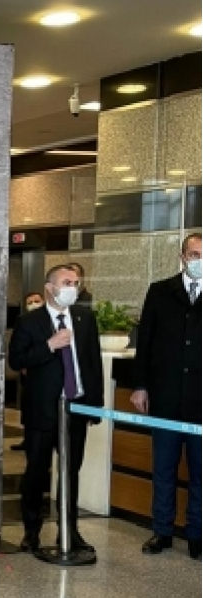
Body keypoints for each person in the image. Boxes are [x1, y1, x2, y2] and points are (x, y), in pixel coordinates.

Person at [8, 264, 103, 553]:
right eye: (66, 282)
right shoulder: (30, 322)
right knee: (37, 472)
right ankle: (31, 531)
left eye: (76, 282)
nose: (72, 287)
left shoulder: (85, 318)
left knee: (71, 472)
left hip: (76, 408)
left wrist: (94, 406)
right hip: (43, 410)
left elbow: (93, 363)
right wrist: (49, 345)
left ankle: (69, 531)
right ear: (50, 288)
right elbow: (16, 360)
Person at [130, 233, 202, 561]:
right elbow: (144, 341)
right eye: (194, 254)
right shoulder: (160, 291)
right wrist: (140, 385)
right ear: (182, 256)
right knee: (164, 469)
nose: (199, 260)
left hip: (200, 400)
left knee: (201, 473)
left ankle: (197, 534)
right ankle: (162, 530)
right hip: (166, 396)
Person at [9, 293, 46, 450]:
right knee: (27, 407)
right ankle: (28, 439)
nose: (33, 304)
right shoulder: (24, 322)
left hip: (43, 372)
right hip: (27, 373)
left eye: (37, 301)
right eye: (30, 302)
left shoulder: (48, 323)